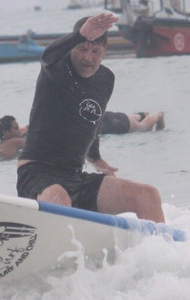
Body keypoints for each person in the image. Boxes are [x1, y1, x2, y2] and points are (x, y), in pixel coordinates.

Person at [16, 13, 166, 223]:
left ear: (105, 52)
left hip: (75, 177)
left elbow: (92, 120)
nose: (88, 58)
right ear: (72, 47)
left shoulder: (105, 79)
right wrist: (80, 34)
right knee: (59, 199)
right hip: (37, 172)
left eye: (96, 51)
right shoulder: (57, 67)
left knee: (147, 195)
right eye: (82, 49)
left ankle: (163, 252)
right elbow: (48, 55)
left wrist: (95, 157)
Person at [100, 110, 166, 135]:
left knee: (143, 127)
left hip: (116, 125)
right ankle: (143, 114)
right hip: (113, 116)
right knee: (133, 118)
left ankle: (158, 115)